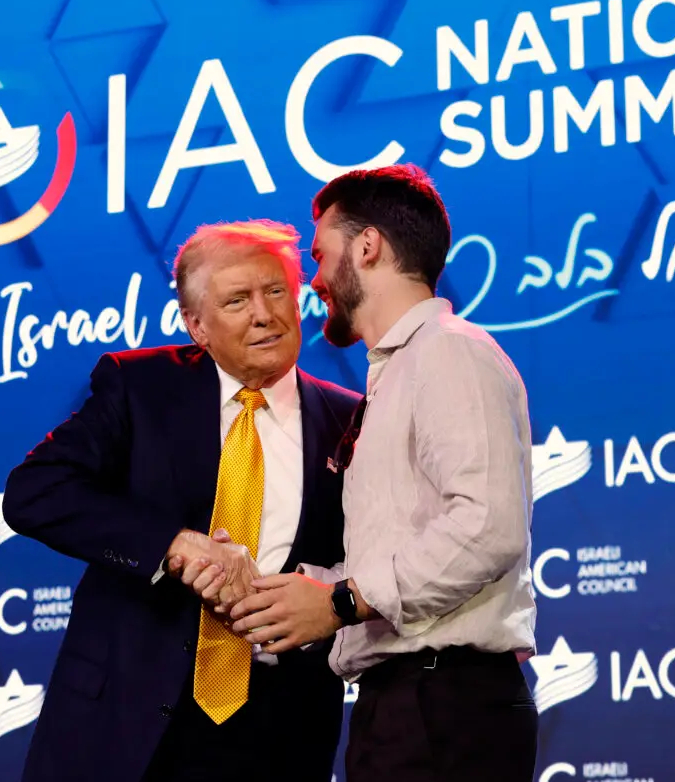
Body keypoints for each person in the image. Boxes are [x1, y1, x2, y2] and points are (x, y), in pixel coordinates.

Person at [1, 220, 361, 782]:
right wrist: (171, 545)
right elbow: (35, 491)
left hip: (279, 728)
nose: (264, 314)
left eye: (275, 291)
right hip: (122, 718)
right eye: (237, 300)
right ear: (197, 325)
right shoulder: (140, 386)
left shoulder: (350, 417)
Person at [225, 164, 539, 782]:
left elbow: (487, 527)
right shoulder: (394, 375)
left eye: (319, 255)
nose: (313, 280)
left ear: (367, 246)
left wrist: (341, 602)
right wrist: (281, 591)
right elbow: (400, 550)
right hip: (404, 703)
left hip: (446, 705)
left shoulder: (450, 350)